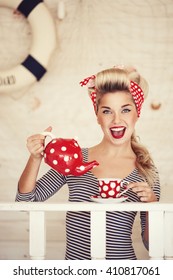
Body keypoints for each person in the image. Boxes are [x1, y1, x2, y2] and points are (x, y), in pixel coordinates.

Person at [16, 65, 160, 260]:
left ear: (137, 113)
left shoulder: (146, 171)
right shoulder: (75, 159)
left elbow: (152, 245)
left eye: (125, 110)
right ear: (98, 116)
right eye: (107, 111)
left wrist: (152, 206)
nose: (117, 119)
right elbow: (26, 202)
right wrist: (35, 158)